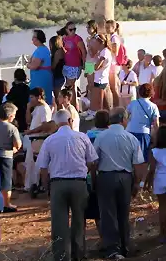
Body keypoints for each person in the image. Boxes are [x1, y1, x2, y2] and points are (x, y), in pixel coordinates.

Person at [36, 109, 98, 261]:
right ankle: (78, 254)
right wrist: (85, 172)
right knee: (79, 220)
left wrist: (46, 186)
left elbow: (43, 168)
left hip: (58, 184)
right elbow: (92, 161)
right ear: (70, 121)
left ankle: (62, 256)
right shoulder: (82, 137)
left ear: (56, 124)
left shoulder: (50, 140)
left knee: (59, 223)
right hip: (79, 183)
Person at [93, 107, 143, 259]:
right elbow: (138, 165)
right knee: (123, 213)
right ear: (123, 119)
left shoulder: (101, 137)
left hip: (106, 177)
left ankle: (112, 249)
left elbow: (94, 162)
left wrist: (94, 180)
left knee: (108, 214)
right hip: (125, 178)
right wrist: (136, 184)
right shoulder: (131, 138)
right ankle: (125, 246)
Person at [0, 103, 22, 213]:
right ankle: (6, 204)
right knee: (6, 180)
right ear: (10, 115)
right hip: (6, 156)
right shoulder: (12, 128)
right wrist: (15, 149)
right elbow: (18, 144)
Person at [126, 83, 160, 167]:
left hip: (130, 131)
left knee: (129, 156)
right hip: (144, 133)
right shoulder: (153, 106)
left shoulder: (133, 103)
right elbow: (156, 124)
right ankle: (141, 178)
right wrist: (157, 136)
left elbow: (125, 116)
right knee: (142, 159)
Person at [62, 21, 87, 110]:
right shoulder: (64, 38)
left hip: (75, 65)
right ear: (66, 30)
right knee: (71, 88)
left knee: (70, 87)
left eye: (74, 29)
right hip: (66, 65)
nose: (73, 31)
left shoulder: (78, 39)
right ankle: (72, 108)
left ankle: (72, 109)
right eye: (71, 29)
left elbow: (84, 52)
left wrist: (85, 65)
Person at [28, 29, 54, 105]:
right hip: (42, 77)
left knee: (38, 98)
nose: (32, 39)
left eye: (34, 37)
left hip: (40, 79)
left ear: (38, 39)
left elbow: (34, 66)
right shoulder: (43, 49)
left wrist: (28, 65)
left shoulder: (41, 50)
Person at [50, 35, 66, 108]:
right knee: (58, 97)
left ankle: (61, 112)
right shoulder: (60, 51)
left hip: (59, 76)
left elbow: (54, 65)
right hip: (57, 75)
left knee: (58, 98)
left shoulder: (58, 52)